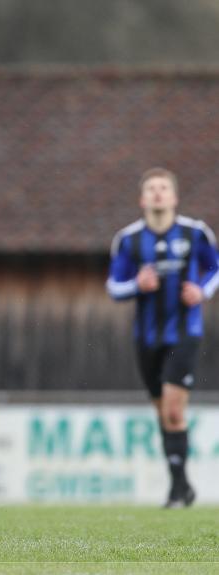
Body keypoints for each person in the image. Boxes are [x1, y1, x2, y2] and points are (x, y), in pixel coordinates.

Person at [107, 167, 219, 508]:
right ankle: (181, 485)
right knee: (162, 413)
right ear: (143, 199)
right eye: (152, 188)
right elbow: (114, 286)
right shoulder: (128, 239)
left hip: (185, 332)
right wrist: (135, 286)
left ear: (174, 196)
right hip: (146, 338)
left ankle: (178, 491)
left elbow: (216, 269)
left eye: (163, 188)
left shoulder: (195, 232)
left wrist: (202, 291)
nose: (158, 193)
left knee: (173, 409)